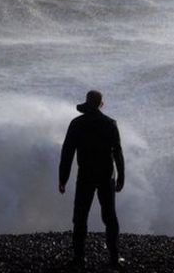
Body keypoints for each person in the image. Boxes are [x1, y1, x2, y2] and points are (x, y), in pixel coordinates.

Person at [59, 90, 125, 269]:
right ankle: (114, 258)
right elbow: (117, 152)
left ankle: (79, 258)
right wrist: (121, 177)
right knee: (110, 216)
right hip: (106, 175)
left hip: (86, 175)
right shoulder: (110, 123)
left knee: (80, 216)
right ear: (101, 104)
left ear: (87, 102)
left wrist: (62, 178)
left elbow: (67, 153)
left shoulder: (77, 123)